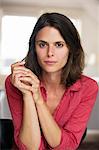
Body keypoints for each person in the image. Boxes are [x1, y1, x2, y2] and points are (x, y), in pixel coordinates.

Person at [5, 12, 98, 150]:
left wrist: (38, 99)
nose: (50, 53)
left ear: (71, 48)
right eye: (42, 45)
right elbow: (30, 147)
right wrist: (28, 95)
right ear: (34, 48)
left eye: (59, 45)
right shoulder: (16, 81)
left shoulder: (88, 87)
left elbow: (68, 146)